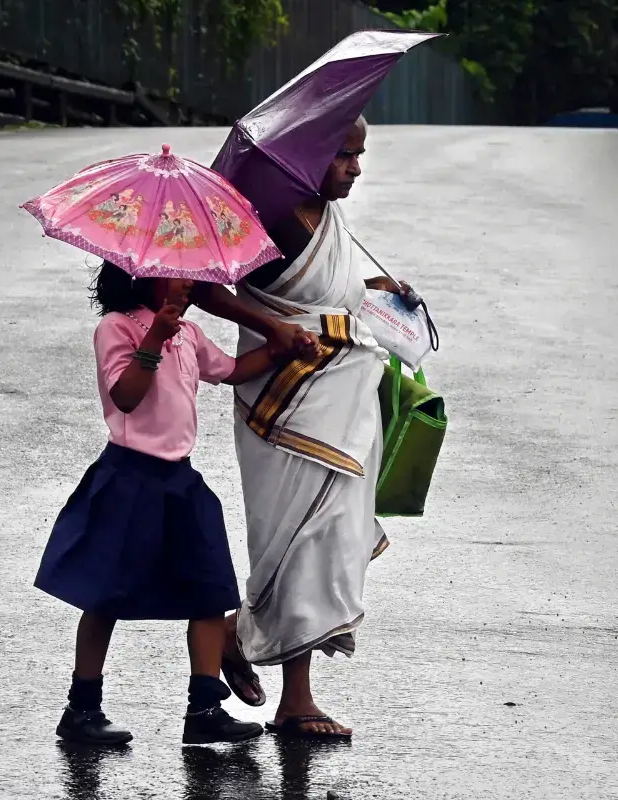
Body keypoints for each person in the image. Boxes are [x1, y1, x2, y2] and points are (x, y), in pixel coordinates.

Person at [193, 116, 409, 739]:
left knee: (329, 538)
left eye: (359, 155)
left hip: (343, 400)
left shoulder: (327, 219)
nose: (356, 168)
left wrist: (378, 289)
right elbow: (205, 287)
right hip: (285, 402)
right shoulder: (274, 217)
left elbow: (327, 295)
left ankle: (238, 636)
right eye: (344, 154)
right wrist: (271, 328)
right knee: (295, 537)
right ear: (312, 153)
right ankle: (296, 699)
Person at [35, 263, 301, 746]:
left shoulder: (190, 334)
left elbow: (232, 370)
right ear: (144, 277)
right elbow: (126, 397)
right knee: (105, 597)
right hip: (128, 477)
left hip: (180, 480)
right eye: (177, 274)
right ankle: (81, 709)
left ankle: (204, 709)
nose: (188, 282)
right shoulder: (117, 327)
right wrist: (155, 338)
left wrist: (279, 348)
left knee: (211, 592)